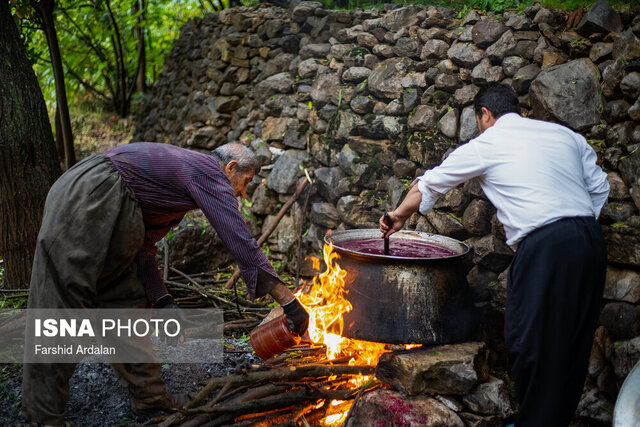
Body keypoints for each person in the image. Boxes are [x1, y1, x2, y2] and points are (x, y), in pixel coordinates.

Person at [23, 142, 309, 426]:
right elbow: (241, 242)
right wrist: (289, 302)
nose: (243, 193)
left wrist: (162, 299)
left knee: (128, 302)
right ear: (230, 168)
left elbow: (144, 246)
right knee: (62, 308)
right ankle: (42, 416)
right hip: (91, 195)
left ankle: (150, 398)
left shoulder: (179, 188)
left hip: (115, 207)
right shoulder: (208, 172)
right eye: (245, 182)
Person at [380, 83, 609, 426]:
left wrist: (397, 215)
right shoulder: (565, 135)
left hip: (546, 247)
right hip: (590, 241)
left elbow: (431, 183)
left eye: (478, 119)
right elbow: (600, 185)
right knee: (572, 341)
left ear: (485, 114)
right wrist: (575, 223)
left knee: (527, 339)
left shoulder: (489, 142)